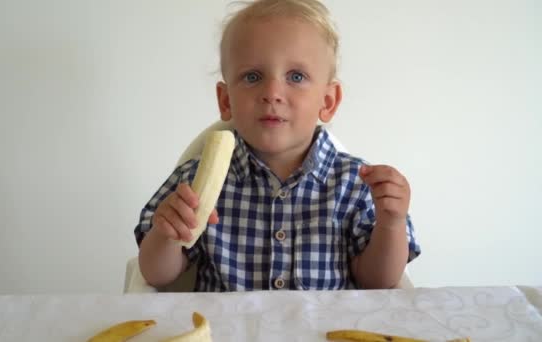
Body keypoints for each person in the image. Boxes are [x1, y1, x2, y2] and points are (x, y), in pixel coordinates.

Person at [135, 0, 420, 291]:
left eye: (296, 76)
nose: (272, 93)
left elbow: (379, 284)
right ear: (225, 100)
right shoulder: (193, 182)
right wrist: (166, 234)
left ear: (328, 101)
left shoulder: (356, 184)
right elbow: (156, 276)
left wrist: (391, 225)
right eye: (252, 76)